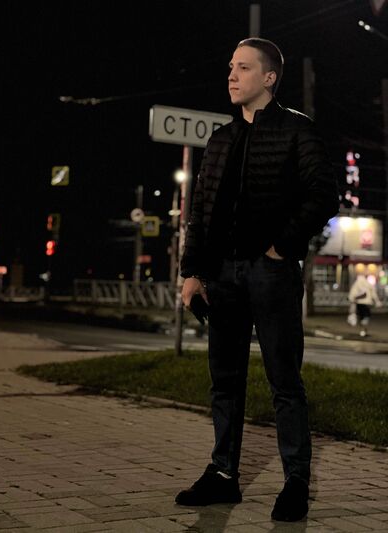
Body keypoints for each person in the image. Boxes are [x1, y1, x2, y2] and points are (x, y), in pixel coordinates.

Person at [175, 37, 340, 522]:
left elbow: (323, 197)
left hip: (271, 273)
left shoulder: (297, 131)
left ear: (269, 78)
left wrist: (280, 247)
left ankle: (295, 483)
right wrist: (192, 272)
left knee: (284, 381)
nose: (231, 75)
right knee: (224, 382)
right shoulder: (221, 139)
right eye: (231, 66)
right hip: (222, 275)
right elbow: (201, 211)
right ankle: (222, 475)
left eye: (243, 68)